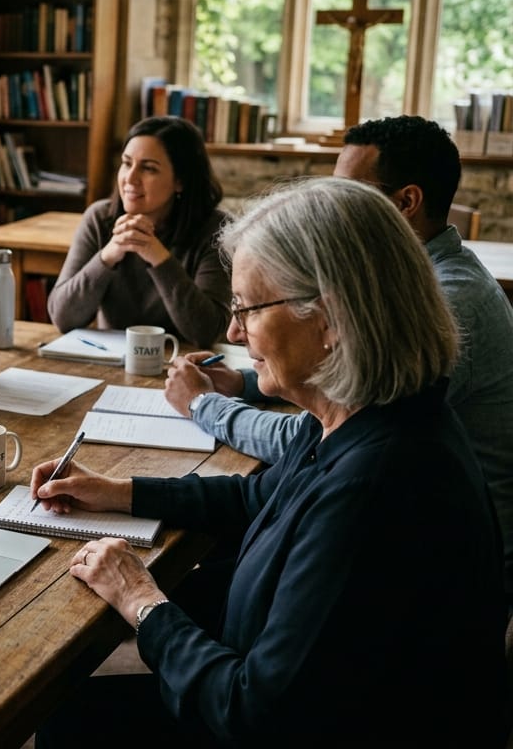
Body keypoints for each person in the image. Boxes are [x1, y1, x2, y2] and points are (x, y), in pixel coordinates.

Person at [33, 178, 508, 747]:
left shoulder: (375, 486)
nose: (233, 331)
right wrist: (116, 491)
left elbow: (254, 713)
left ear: (330, 320)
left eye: (247, 308)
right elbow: (256, 495)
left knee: (70, 723)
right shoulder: (363, 411)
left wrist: (142, 601)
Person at [164, 115, 513, 600]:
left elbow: (306, 438)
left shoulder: (445, 303)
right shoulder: (412, 283)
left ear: (406, 202)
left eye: (346, 193)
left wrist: (203, 405)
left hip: (432, 565)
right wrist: (244, 381)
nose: (327, 209)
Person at [46, 115, 231, 346]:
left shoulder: (216, 230)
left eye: (149, 168)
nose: (130, 178)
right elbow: (63, 318)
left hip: (183, 362)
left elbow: (207, 332)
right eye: (126, 163)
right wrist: (108, 256)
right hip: (112, 360)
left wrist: (157, 255)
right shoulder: (100, 218)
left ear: (180, 181)